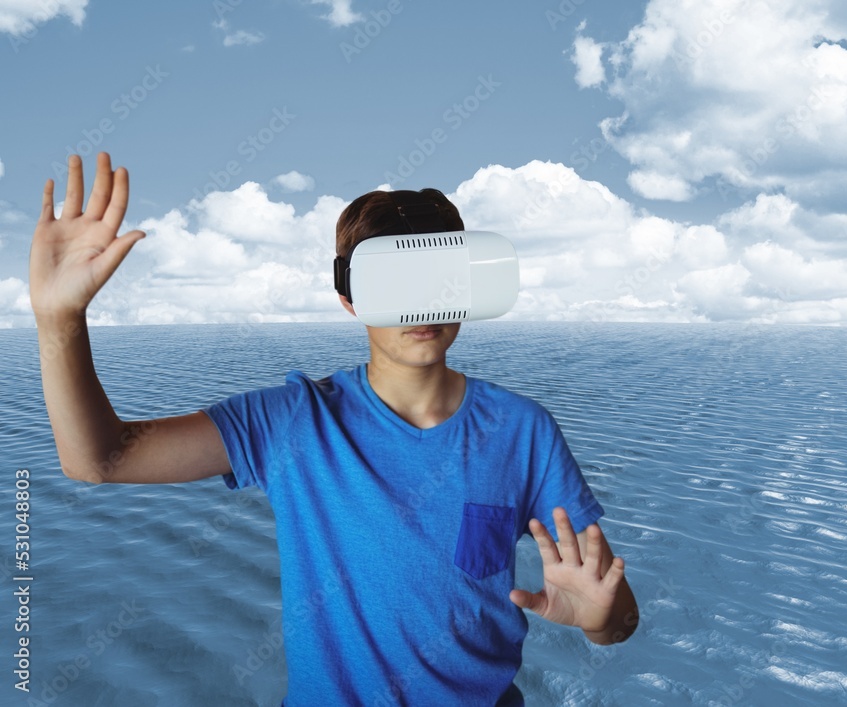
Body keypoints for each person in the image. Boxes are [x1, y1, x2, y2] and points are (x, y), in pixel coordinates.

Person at [30, 152, 639, 705]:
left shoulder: (522, 429)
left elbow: (615, 616)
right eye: (396, 283)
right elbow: (99, 460)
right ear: (350, 294)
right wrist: (59, 318)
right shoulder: (291, 422)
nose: (421, 305)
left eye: (439, 278)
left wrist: (598, 620)